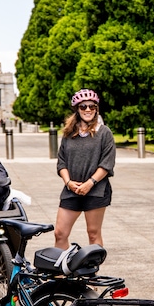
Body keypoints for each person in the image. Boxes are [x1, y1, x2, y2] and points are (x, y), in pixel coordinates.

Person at [54, 89, 116, 248]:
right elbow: (61, 162)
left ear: (96, 109)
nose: (88, 110)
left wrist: (90, 183)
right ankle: (62, 272)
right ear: (77, 109)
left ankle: (92, 272)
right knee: (60, 233)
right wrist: (68, 183)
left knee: (93, 233)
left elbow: (107, 163)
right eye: (83, 107)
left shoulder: (104, 133)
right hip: (71, 189)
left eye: (92, 107)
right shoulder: (69, 134)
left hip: (96, 190)